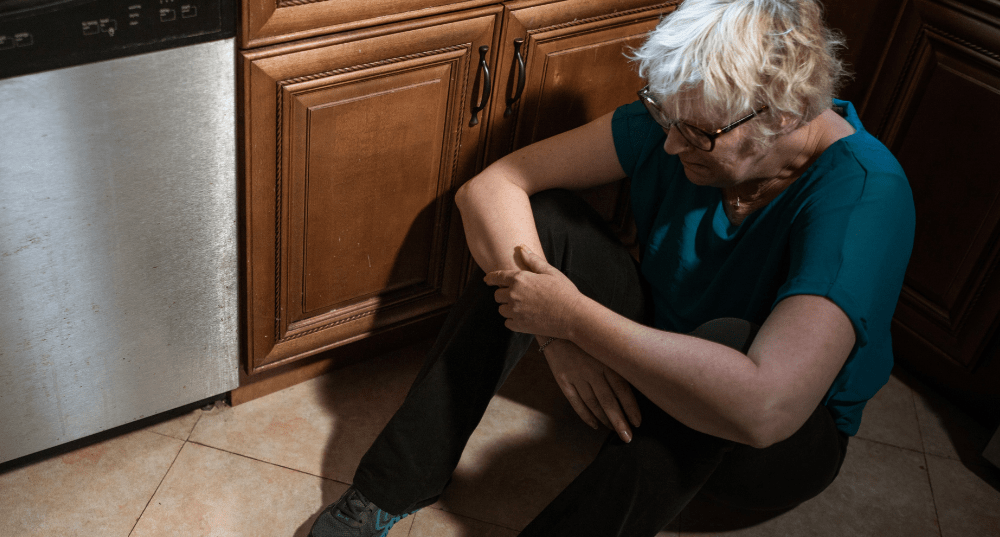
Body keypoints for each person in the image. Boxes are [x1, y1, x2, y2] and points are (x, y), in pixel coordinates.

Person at [308, 0, 915, 535]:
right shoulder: (691, 118)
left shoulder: (865, 193)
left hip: (769, 442)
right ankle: (389, 489)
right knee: (544, 223)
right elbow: (491, 189)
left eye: (695, 135)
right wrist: (554, 333)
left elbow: (765, 408)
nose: (672, 146)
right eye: (665, 119)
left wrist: (576, 319)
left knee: (731, 347)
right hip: (653, 351)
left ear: (782, 116)